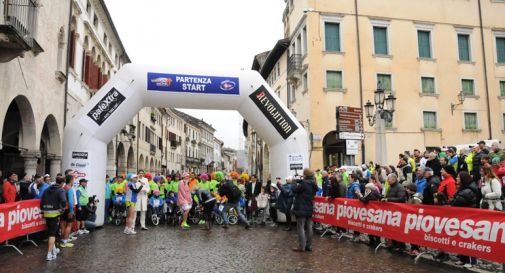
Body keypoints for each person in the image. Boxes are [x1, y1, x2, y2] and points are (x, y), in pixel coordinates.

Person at [450, 171, 478, 268]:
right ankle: (462, 258)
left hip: (468, 218)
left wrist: (452, 199)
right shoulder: (463, 189)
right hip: (462, 218)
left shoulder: (467, 191)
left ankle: (471, 261)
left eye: (458, 177)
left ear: (463, 179)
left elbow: (456, 202)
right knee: (461, 239)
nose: (456, 179)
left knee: (468, 240)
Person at [40, 176, 66, 261]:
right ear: (62, 183)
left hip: (47, 212)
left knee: (51, 232)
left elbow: (42, 200)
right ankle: (49, 254)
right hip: (55, 213)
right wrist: (62, 208)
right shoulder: (61, 189)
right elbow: (63, 200)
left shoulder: (47, 189)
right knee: (52, 234)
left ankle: (54, 250)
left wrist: (42, 210)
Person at [291, 168, 318, 252]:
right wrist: (299, 181)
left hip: (301, 207)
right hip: (309, 207)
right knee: (309, 227)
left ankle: (301, 246)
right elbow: (304, 183)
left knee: (301, 227)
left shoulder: (304, 183)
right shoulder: (313, 183)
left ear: (305, 175)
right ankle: (309, 246)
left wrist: (293, 182)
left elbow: (294, 189)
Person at [381, 173, 406, 251]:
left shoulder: (400, 187)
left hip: (398, 213)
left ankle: (401, 246)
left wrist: (388, 200)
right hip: (391, 212)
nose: (387, 180)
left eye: (388, 179)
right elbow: (388, 196)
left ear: (393, 179)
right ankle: (394, 244)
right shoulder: (390, 187)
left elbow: (401, 198)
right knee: (392, 229)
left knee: (398, 230)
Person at [357, 183, 382, 248]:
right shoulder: (374, 193)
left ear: (369, 188)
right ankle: (374, 241)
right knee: (372, 227)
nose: (365, 189)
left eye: (366, 188)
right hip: (373, 213)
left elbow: (365, 201)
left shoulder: (371, 194)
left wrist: (360, 195)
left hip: (373, 213)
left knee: (372, 228)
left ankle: (374, 241)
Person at [60, 175, 76, 248]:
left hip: (63, 209)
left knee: (63, 224)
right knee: (69, 225)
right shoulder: (70, 189)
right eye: (73, 180)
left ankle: (62, 240)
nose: (73, 181)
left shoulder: (63, 188)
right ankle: (65, 241)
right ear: (71, 180)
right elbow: (70, 201)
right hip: (69, 209)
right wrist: (71, 211)